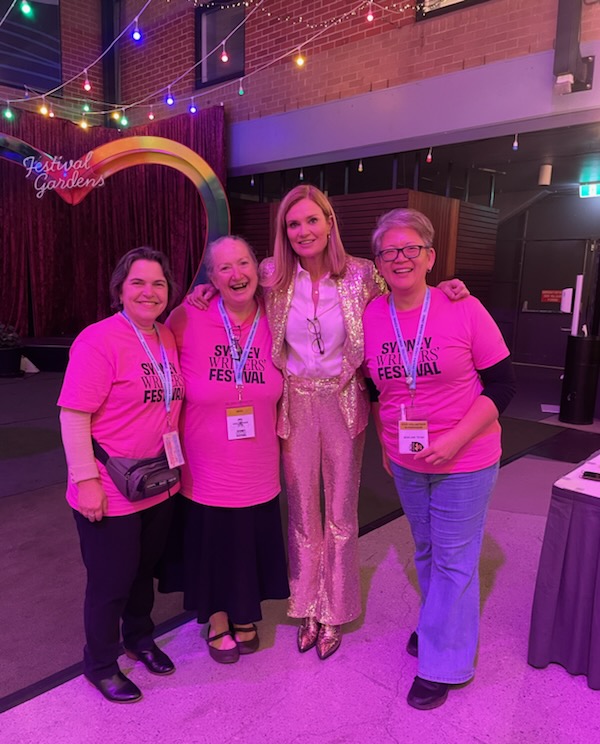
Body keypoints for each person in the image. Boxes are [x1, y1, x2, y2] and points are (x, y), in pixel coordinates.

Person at [189, 184, 468, 661]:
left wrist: (442, 288)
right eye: (293, 223)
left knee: (340, 513)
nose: (303, 230)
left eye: (311, 220)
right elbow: (233, 284)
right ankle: (307, 608)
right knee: (301, 514)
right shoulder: (273, 274)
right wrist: (202, 290)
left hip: (343, 402)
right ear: (285, 232)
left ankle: (334, 611)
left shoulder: (362, 273)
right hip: (293, 404)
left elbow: (406, 292)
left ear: (329, 223)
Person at [363, 209, 516, 710]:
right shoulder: (371, 314)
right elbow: (377, 386)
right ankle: (438, 623)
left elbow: (502, 385)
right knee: (427, 549)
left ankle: (444, 663)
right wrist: (389, 447)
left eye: (411, 249)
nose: (400, 258)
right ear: (379, 263)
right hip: (407, 459)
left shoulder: (463, 307)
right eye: (390, 251)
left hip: (466, 456)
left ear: (429, 256)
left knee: (453, 557)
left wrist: (454, 439)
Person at [58, 246, 185, 704]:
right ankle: (101, 662)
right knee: (110, 581)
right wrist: (87, 481)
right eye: (138, 283)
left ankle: (139, 638)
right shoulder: (99, 340)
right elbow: (73, 415)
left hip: (156, 482)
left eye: (158, 284)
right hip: (109, 488)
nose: (149, 292)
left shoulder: (165, 337)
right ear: (119, 290)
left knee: (141, 572)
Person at [164, 235, 289, 664]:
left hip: (259, 465)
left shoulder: (277, 315)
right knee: (212, 542)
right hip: (204, 467)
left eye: (243, 264)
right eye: (223, 268)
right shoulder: (187, 317)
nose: (236, 275)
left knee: (248, 541)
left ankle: (244, 611)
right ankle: (217, 619)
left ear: (258, 267)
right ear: (211, 279)